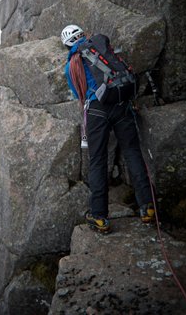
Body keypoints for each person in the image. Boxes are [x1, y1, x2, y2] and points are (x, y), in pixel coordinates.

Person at [61, 24, 155, 233]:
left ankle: (99, 216)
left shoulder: (71, 65)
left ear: (66, 45)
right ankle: (147, 207)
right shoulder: (100, 47)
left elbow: (79, 94)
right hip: (121, 104)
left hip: (97, 109)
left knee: (98, 160)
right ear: (83, 35)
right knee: (132, 152)